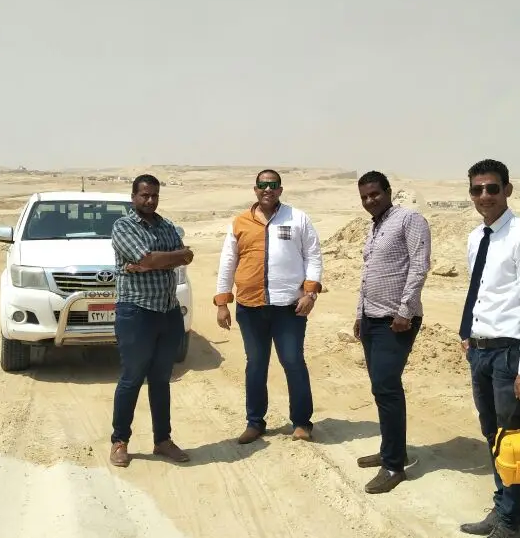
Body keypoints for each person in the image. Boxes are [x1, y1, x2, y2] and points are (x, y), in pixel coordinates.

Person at [458, 158, 520, 538]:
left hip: (510, 354)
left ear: (507, 190)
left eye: (492, 188)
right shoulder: (476, 237)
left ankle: (511, 524)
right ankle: (502, 508)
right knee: (492, 434)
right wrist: (469, 334)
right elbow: (481, 292)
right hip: (480, 350)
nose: (484, 196)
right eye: (477, 189)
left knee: (511, 439)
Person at [214, 169, 324, 443]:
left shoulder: (297, 218)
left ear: (280, 190)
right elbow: (228, 262)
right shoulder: (239, 222)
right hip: (250, 307)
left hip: (289, 307)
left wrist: (310, 293)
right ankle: (255, 422)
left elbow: (313, 256)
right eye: (263, 185)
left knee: (293, 361)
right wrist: (222, 302)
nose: (268, 190)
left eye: (273, 185)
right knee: (255, 364)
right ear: (255, 189)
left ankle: (302, 422)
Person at [351, 171, 432, 494]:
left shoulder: (409, 220)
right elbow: (367, 275)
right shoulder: (375, 227)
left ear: (388, 191)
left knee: (387, 387)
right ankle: (391, 450)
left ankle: (394, 466)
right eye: (364, 197)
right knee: (380, 388)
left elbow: (419, 266)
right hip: (371, 318)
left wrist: (405, 311)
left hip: (395, 320)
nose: (370, 201)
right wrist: (359, 314)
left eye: (374, 194)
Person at [108, 174, 194, 467]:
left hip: (168, 313)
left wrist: (154, 261)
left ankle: (163, 441)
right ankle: (120, 441)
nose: (150, 200)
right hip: (137, 312)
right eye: (144, 195)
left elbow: (186, 255)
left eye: (155, 195)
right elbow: (147, 257)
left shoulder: (166, 225)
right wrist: (161, 259)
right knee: (132, 378)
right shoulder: (123, 226)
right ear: (133, 197)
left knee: (161, 379)